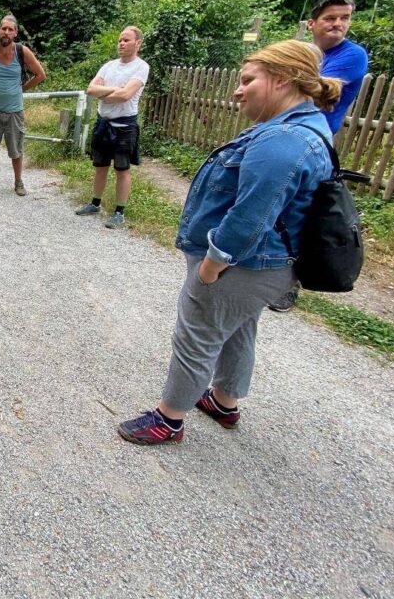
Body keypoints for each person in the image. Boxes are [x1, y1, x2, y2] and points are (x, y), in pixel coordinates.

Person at [116, 40, 341, 444]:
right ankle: (224, 400)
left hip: (242, 265)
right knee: (239, 328)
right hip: (263, 265)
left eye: (248, 80)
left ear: (283, 79)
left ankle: (168, 420)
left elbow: (251, 214)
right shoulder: (299, 129)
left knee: (198, 333)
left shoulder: (285, 141)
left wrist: (212, 263)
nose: (238, 90)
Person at [268, 0, 369, 313]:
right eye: (330, 18)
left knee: (298, 212)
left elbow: (312, 86)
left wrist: (281, 79)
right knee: (269, 203)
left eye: (344, 18)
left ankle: (287, 285)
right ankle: (258, 265)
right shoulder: (305, 53)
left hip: (312, 143)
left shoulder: (352, 56)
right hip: (281, 134)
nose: (338, 24)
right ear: (312, 23)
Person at [74, 27, 150, 228]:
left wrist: (105, 92)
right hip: (103, 123)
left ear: (138, 43)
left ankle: (119, 212)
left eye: (126, 40)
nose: (121, 44)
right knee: (100, 167)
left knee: (122, 170)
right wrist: (115, 89)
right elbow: (90, 89)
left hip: (124, 126)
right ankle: (95, 203)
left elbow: (126, 96)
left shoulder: (141, 67)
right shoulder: (108, 66)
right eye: (120, 40)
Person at [0, 14, 46, 196]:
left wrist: (22, 88)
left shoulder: (22, 52)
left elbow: (40, 74)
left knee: (16, 150)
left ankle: (18, 182)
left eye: (10, 29)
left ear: (15, 33)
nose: (6, 32)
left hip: (15, 111)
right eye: (4, 28)